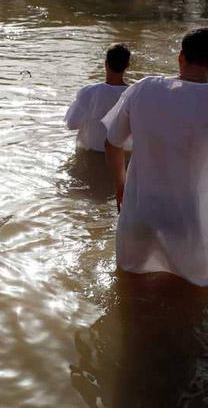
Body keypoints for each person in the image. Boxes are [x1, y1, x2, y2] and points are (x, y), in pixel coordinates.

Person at [104, 27, 208, 286]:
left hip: (139, 213)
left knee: (127, 287)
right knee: (189, 296)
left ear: (181, 57)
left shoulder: (143, 88)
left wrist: (121, 184)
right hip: (188, 219)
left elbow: (112, 143)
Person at [65, 43, 132, 153]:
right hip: (121, 156)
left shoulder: (89, 92)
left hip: (91, 152)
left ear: (106, 63)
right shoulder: (133, 94)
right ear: (127, 65)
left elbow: (71, 124)